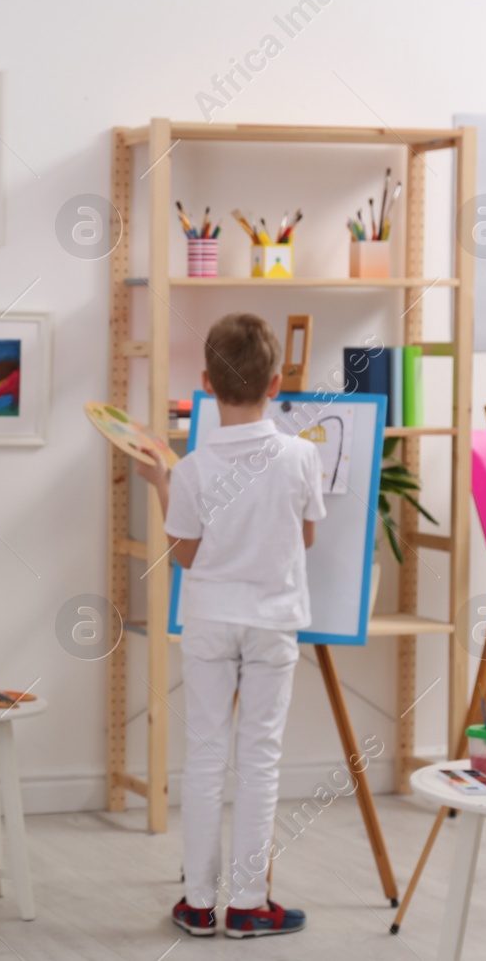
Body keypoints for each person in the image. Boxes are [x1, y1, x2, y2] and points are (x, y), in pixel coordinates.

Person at [137, 312, 324, 939]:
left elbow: (186, 554)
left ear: (206, 383)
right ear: (276, 383)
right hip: (273, 624)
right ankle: (248, 903)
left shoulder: (191, 468)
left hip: (209, 619)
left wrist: (163, 484)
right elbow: (306, 538)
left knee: (206, 756)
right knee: (260, 759)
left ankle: (195, 902)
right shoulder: (302, 457)